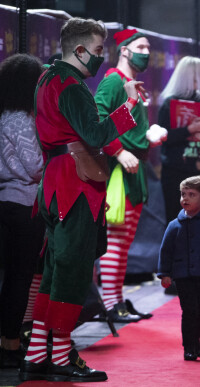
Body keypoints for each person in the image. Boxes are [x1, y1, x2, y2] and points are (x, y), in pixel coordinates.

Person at [20, 17, 143, 382]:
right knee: (71, 274)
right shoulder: (71, 85)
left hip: (57, 182)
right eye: (99, 49)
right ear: (79, 49)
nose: (101, 56)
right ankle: (59, 357)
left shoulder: (47, 77)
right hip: (75, 184)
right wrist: (130, 105)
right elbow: (96, 132)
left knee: (54, 274)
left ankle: (39, 352)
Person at [94, 28, 163, 323]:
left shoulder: (131, 84)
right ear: (124, 49)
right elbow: (98, 124)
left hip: (134, 170)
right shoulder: (113, 82)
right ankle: (110, 304)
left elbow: (126, 127)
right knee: (115, 241)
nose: (146, 52)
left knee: (124, 242)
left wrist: (148, 137)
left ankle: (116, 299)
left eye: (149, 46)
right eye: (140, 46)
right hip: (117, 172)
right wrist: (118, 151)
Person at [0, 54, 45, 368]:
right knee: (20, 277)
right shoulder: (22, 119)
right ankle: (11, 343)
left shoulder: (3, 115)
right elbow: (34, 167)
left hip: (6, 201)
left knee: (10, 277)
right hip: (24, 203)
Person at [157, 176, 200, 361]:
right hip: (182, 275)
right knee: (189, 310)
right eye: (183, 194)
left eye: (191, 195)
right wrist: (164, 273)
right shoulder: (174, 225)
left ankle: (195, 340)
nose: (185, 198)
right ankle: (189, 346)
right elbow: (166, 250)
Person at [158, 56, 200, 224]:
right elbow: (164, 137)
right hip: (174, 171)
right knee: (175, 219)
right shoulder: (169, 103)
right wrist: (189, 130)